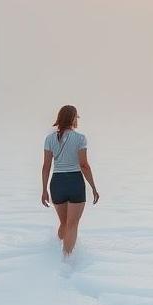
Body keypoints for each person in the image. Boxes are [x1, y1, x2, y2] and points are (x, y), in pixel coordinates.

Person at [41, 105, 99, 257]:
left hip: (57, 183)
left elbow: (46, 167)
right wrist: (93, 187)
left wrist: (44, 190)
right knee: (72, 224)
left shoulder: (49, 139)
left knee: (64, 223)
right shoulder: (80, 138)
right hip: (74, 182)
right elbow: (84, 165)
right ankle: (66, 260)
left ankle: (56, 252)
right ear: (73, 118)